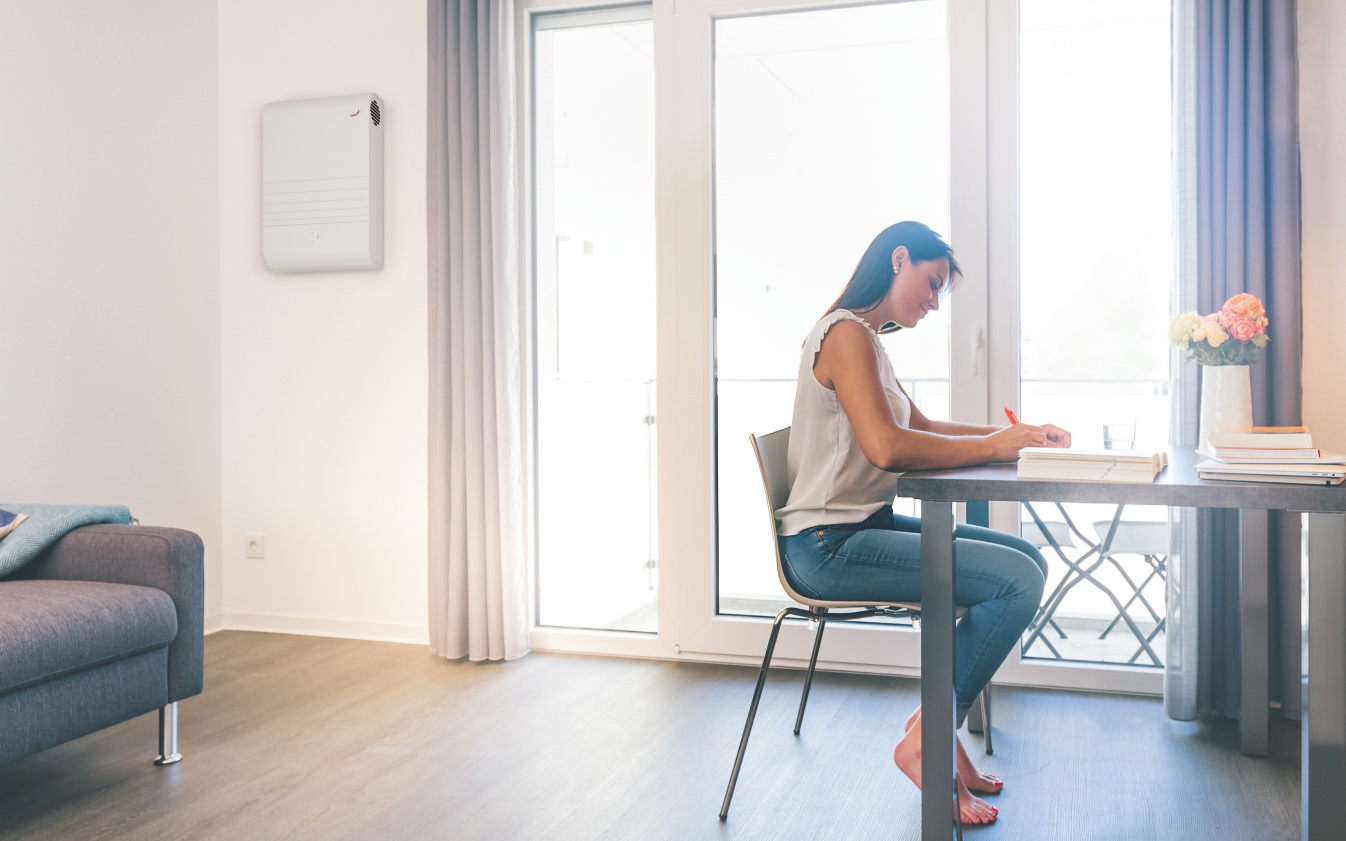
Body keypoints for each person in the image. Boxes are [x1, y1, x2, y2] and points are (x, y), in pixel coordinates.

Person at [775, 221, 1071, 826]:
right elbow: (888, 448)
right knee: (1015, 582)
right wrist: (993, 448)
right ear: (899, 258)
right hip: (826, 546)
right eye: (932, 284)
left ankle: (932, 727)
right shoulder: (844, 335)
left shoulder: (865, 340)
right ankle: (928, 738)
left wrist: (1015, 438)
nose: (935, 302)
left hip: (858, 528)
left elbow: (924, 429)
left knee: (1028, 561)